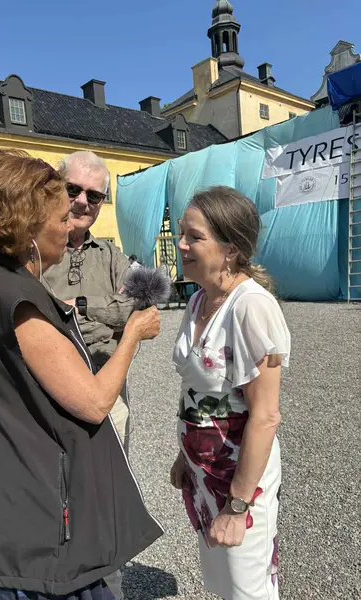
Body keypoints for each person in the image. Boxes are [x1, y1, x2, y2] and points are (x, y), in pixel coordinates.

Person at [0, 149, 163, 600]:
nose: (70, 224)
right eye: (61, 215)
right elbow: (94, 403)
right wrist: (132, 334)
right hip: (33, 541)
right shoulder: (18, 298)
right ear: (28, 227)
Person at [170, 186, 290, 600]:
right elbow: (197, 388)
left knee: (248, 589)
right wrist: (184, 457)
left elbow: (265, 416)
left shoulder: (251, 307)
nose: (181, 244)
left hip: (240, 482)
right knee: (223, 583)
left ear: (231, 249)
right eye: (181, 233)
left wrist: (238, 507)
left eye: (194, 236)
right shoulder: (199, 301)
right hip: (204, 473)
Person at [44, 152, 134, 452]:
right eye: (73, 189)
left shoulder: (111, 255)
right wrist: (107, 320)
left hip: (108, 390)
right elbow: (36, 319)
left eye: (94, 196)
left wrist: (80, 305)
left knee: (112, 471)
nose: (82, 202)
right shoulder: (34, 251)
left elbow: (136, 306)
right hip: (51, 392)